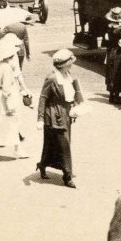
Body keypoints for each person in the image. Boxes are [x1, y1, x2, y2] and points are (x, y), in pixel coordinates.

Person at [36, 49, 86, 188]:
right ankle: (67, 176)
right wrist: (40, 118)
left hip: (66, 114)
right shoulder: (52, 78)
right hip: (53, 115)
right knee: (64, 145)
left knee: (52, 144)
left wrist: (77, 108)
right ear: (63, 65)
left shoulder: (70, 76)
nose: (71, 65)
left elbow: (75, 95)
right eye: (70, 63)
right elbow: (43, 98)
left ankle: (42, 164)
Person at [0, 36, 31, 161]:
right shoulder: (7, 68)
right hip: (4, 98)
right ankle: (17, 149)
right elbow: (6, 89)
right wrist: (10, 103)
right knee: (12, 122)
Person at [104, 7, 121, 104]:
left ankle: (111, 95)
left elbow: (106, 39)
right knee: (118, 73)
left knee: (111, 73)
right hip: (118, 52)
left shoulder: (109, 27)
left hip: (110, 51)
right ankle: (117, 96)